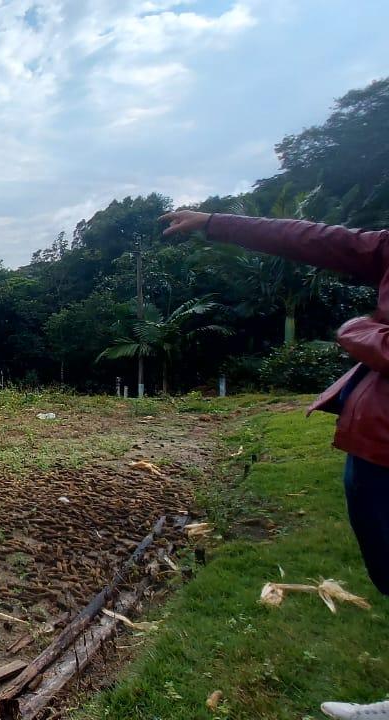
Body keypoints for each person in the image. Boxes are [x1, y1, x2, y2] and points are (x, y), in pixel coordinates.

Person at [161, 210, 389, 720]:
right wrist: (214, 222)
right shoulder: (383, 248)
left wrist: (362, 334)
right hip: (375, 440)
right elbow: (310, 237)